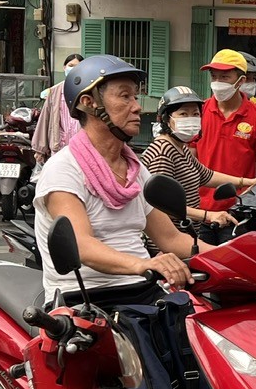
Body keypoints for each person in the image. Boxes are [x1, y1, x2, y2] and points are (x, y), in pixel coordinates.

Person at [33, 54, 195, 301]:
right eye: (125, 96)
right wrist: (143, 265)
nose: (137, 106)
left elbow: (171, 238)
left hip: (140, 290)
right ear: (89, 103)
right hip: (83, 300)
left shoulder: (135, 170)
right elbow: (82, 245)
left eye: (135, 96)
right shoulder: (63, 170)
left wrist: (234, 258)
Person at [143, 86, 256, 231]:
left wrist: (249, 182)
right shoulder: (163, 151)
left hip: (186, 234)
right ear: (166, 119)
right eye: (183, 114)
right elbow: (162, 204)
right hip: (168, 242)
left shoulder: (180, 148)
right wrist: (208, 215)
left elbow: (207, 175)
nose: (191, 119)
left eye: (195, 114)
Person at [195, 49, 256, 212]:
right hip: (200, 208)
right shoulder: (200, 111)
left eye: (224, 77)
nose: (217, 83)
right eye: (214, 76)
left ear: (240, 81)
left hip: (239, 208)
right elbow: (189, 161)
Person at [33, 53, 84, 162]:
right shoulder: (55, 91)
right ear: (64, 67)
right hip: (59, 146)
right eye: (71, 65)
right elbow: (44, 119)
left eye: (77, 66)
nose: (73, 69)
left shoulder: (88, 91)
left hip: (82, 148)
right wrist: (40, 149)